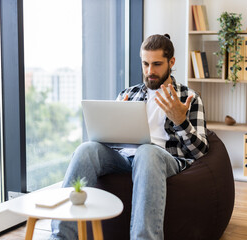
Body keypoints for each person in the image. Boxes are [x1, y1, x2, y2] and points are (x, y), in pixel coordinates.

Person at [50, 34, 209, 240]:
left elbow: (200, 152)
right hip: (124, 158)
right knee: (86, 149)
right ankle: (61, 237)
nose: (150, 71)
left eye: (157, 64)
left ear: (171, 62)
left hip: (163, 158)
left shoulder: (189, 98)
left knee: (147, 151)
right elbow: (107, 140)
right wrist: (111, 126)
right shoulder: (129, 93)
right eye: (145, 64)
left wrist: (181, 121)